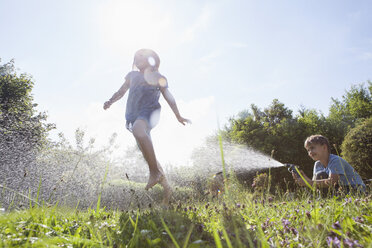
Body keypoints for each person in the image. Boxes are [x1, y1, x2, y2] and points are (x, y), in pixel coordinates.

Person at [103, 49, 190, 205]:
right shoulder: (132, 76)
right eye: (135, 58)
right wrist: (110, 101)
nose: (137, 59)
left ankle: (154, 173)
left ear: (152, 59)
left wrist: (178, 115)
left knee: (138, 131)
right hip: (133, 115)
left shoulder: (158, 77)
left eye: (141, 56)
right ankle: (167, 189)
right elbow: (121, 91)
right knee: (148, 154)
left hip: (150, 112)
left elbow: (168, 96)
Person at [293, 134, 366, 194]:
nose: (310, 152)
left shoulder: (335, 160)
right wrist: (304, 179)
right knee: (320, 175)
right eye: (308, 150)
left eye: (312, 148)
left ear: (324, 147)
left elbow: (332, 181)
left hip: (354, 189)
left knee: (321, 175)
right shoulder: (317, 164)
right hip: (339, 190)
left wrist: (309, 182)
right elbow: (315, 186)